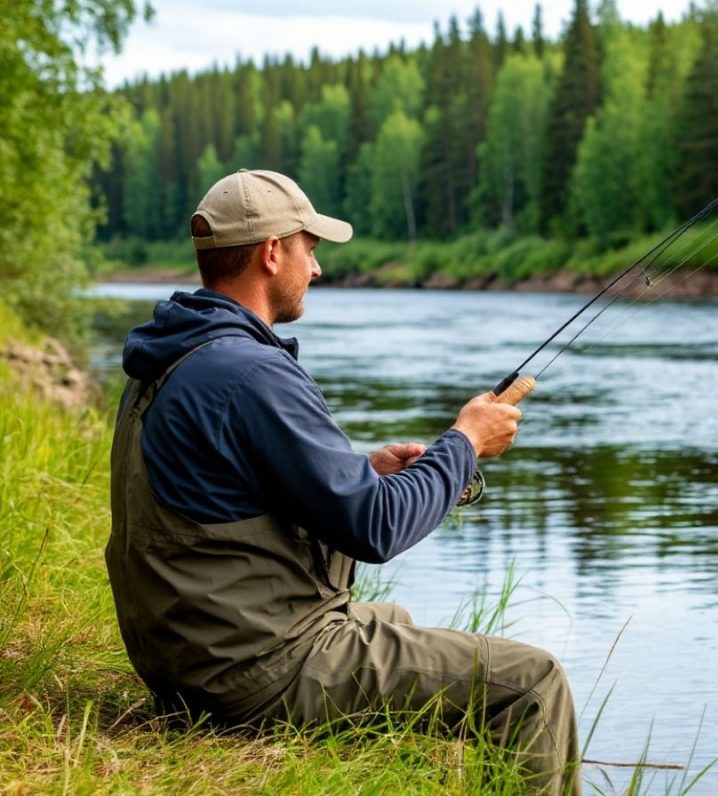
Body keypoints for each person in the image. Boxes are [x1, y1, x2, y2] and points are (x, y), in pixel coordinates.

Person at [106, 169, 581, 794]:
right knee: (534, 684)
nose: (318, 268)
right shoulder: (251, 372)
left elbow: (227, 493)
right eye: (311, 248)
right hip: (247, 671)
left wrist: (364, 472)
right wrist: (465, 443)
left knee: (398, 620)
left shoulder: (174, 355)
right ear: (272, 252)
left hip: (180, 656)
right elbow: (376, 529)